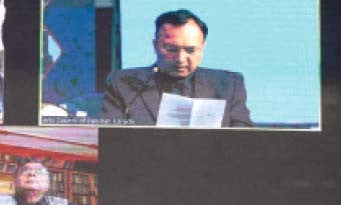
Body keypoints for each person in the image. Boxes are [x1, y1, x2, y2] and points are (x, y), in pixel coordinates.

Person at [100, 9, 253, 127]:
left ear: (203, 47)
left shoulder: (228, 84)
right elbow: (112, 136)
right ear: (155, 46)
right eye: (171, 49)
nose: (180, 59)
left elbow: (243, 140)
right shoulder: (122, 83)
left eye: (190, 50)